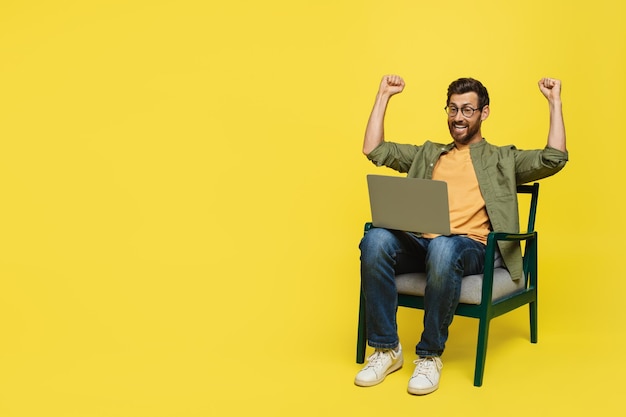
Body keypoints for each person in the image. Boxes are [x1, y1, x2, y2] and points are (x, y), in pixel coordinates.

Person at [354, 75, 568, 395]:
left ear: (484, 113)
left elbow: (554, 158)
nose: (458, 117)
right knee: (375, 238)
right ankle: (387, 349)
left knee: (444, 245)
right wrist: (383, 94)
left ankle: (429, 355)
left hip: (471, 248)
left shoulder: (502, 158)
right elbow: (373, 149)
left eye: (468, 110)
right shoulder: (428, 153)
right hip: (423, 243)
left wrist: (554, 102)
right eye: (453, 109)